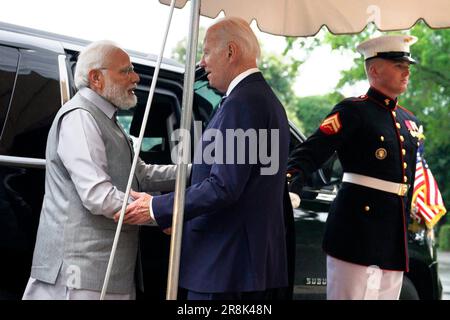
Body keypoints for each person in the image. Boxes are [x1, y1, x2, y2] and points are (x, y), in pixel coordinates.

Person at [118, 17, 291, 300]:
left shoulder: (242, 103)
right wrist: (183, 217)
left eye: (207, 52)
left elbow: (223, 186)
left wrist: (157, 207)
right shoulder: (262, 99)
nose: (202, 62)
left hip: (225, 266)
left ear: (231, 52)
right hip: (240, 264)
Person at [22, 40, 179, 300]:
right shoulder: (81, 117)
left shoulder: (106, 119)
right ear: (96, 78)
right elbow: (98, 195)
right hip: (79, 274)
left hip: (103, 272)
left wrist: (200, 171)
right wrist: (158, 212)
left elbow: (141, 175)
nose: (136, 77)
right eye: (126, 70)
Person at [287, 34, 421, 300]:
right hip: (355, 229)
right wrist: (291, 183)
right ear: (374, 69)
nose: (406, 71)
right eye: (398, 65)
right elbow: (310, 152)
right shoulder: (353, 111)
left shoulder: (409, 120)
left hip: (393, 232)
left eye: (407, 65)